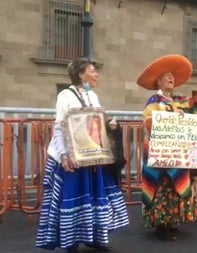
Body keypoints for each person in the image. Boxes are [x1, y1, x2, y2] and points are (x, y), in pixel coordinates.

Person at [35, 58, 129, 253]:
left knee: (93, 198)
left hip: (90, 156)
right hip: (72, 157)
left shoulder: (92, 95)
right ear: (80, 74)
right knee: (73, 198)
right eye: (93, 71)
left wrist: (109, 123)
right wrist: (63, 155)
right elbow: (60, 126)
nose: (96, 75)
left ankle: (94, 238)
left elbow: (96, 121)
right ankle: (72, 243)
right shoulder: (65, 96)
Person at [137, 54, 197, 241]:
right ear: (158, 81)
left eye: (172, 76)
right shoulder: (154, 101)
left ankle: (171, 221)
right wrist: (171, 118)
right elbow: (148, 123)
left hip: (178, 154)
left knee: (173, 189)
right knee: (162, 188)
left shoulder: (180, 100)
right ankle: (161, 224)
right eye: (166, 76)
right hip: (161, 155)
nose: (171, 78)